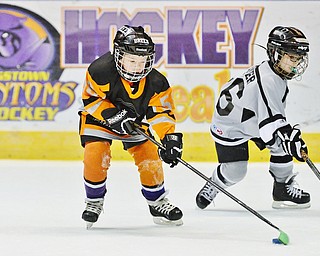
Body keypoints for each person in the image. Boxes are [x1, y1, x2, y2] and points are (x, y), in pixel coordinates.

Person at [78, 25, 183, 228]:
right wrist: (111, 115)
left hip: (133, 123)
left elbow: (161, 113)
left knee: (149, 155)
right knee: (95, 153)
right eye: (132, 60)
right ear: (119, 55)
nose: (138, 67)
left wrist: (168, 138)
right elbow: (91, 99)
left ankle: (157, 202)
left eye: (142, 61)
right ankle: (94, 201)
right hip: (98, 119)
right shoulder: (100, 70)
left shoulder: (157, 82)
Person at [196, 26, 311, 210]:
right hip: (230, 126)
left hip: (252, 118)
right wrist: (290, 139)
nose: (295, 64)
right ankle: (215, 183)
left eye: (298, 59)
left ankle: (282, 188)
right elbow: (270, 125)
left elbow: (271, 120)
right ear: (275, 53)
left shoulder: (273, 73)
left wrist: (287, 137)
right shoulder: (269, 80)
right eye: (291, 57)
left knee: (282, 141)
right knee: (236, 172)